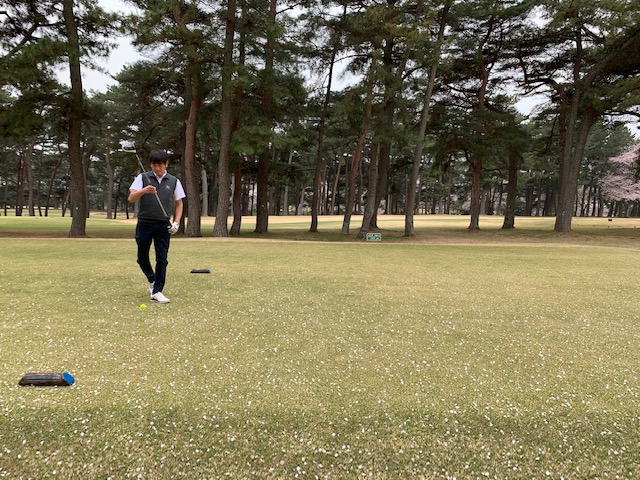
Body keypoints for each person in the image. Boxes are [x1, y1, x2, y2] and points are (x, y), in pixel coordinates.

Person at [128, 149, 185, 304]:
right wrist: (144, 190)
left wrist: (176, 222)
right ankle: (152, 279)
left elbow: (179, 203)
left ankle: (157, 290)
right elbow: (131, 198)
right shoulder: (143, 177)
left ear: (166, 164)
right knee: (142, 258)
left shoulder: (174, 181)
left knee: (162, 258)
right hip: (144, 223)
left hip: (163, 224)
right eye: (154, 164)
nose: (157, 168)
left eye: (160, 164)